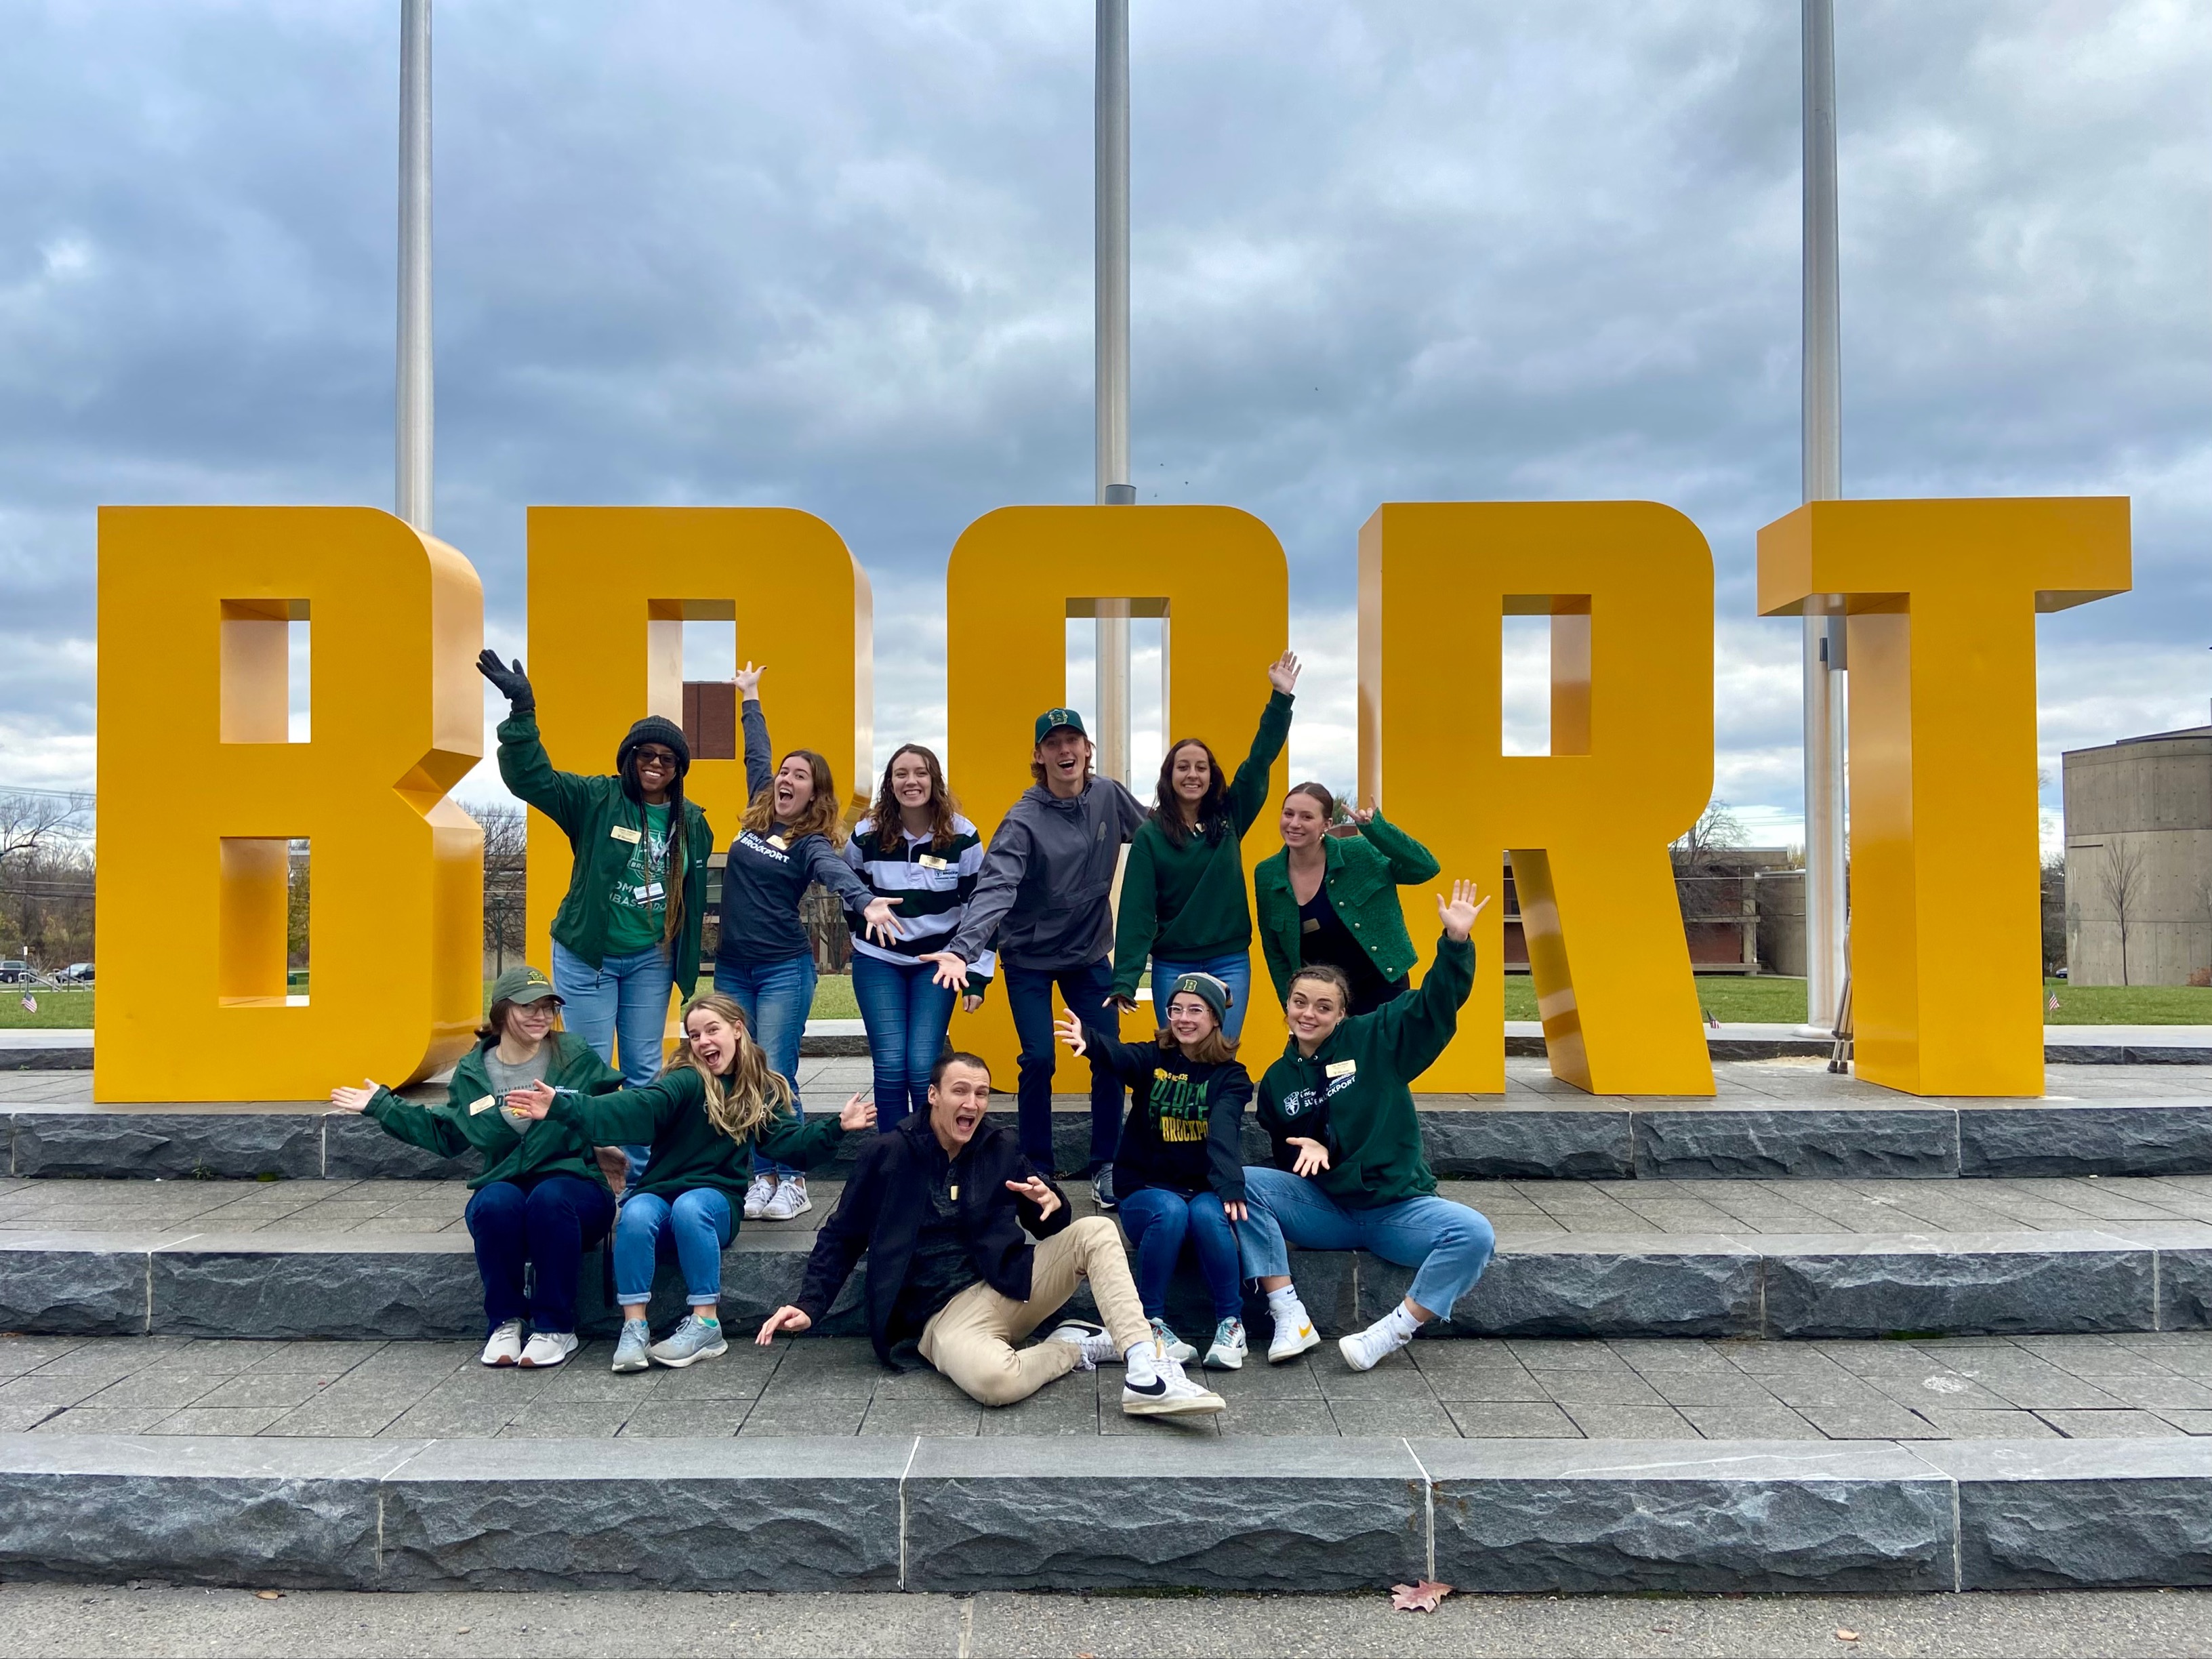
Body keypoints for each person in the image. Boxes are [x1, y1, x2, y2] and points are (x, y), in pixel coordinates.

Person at [755, 1050, 1223, 1418]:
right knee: (996, 1385)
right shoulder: (888, 1154)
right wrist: (809, 1304)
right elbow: (842, 1235)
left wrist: (1053, 1203)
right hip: (941, 1316)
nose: (973, 1103)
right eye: (961, 1091)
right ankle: (1073, 1345)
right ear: (933, 1095)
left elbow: (1047, 1221)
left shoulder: (1000, 1145)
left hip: (1010, 1285)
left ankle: (1145, 1369)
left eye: (982, 1093)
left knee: (1097, 1229)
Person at [508, 991, 875, 1372]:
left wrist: (837, 1126)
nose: (703, 1042)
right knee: (634, 1212)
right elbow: (637, 1105)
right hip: (660, 1195)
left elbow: (791, 1145)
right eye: (694, 1035)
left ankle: (706, 1324)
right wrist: (565, 1106)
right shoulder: (684, 1081)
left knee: (691, 1206)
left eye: (711, 1030)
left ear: (737, 1030)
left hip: (715, 1205)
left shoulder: (758, 1089)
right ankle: (634, 1327)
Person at [1237, 879, 1497, 1373]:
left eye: (1323, 1006)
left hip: (1394, 1209)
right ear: (1288, 1006)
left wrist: (1456, 945)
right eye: (1300, 1002)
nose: (1309, 1013)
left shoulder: (1377, 1039)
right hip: (1326, 1209)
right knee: (1241, 1183)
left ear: (1341, 1014)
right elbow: (1287, 1158)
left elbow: (1433, 1008)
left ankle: (1393, 1329)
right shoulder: (1275, 1080)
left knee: (1474, 1233)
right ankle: (1288, 1313)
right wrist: (1311, 1150)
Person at [476, 650, 714, 1191]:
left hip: (651, 959)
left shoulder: (693, 822)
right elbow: (530, 778)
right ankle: (584, 1171)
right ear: (629, 758)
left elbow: (695, 896)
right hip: (589, 957)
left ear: (678, 769)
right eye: (645, 754)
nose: (655, 763)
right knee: (584, 1068)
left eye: (667, 758)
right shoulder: (594, 798)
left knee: (644, 1069)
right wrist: (522, 711)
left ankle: (639, 1174)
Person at [329, 964, 622, 1370]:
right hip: (511, 1188)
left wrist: (606, 1142)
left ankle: (556, 1327)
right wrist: (383, 1106)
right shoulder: (472, 1072)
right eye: (528, 1007)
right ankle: (505, 1322)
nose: (540, 1016)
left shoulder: (574, 1056)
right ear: (502, 1012)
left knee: (550, 1198)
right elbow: (447, 1134)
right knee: (492, 1203)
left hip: (576, 1190)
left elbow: (613, 1109)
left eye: (547, 1007)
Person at [921, 707, 1148, 1210]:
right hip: (1029, 956)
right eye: (1054, 744)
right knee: (1039, 1059)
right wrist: (964, 949)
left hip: (1088, 954)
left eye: (1074, 741)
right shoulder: (1023, 818)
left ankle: (1106, 1164)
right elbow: (996, 886)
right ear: (1039, 756)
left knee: (1108, 1057)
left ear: (1087, 750)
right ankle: (1038, 1165)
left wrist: (1210, 823)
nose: (1065, 751)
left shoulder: (1109, 796)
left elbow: (1159, 835)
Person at [714, 662, 903, 1223]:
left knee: (776, 1072)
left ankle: (791, 1178)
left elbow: (835, 871)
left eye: (801, 776)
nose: (786, 779)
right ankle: (760, 1174)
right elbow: (757, 752)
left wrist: (865, 900)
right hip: (731, 970)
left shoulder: (811, 842)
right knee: (736, 1072)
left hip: (780, 971)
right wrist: (750, 698)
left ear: (814, 794)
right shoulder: (756, 807)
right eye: (785, 772)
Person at [1055, 970, 1253, 1370]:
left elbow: (1224, 1130)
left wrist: (1231, 1184)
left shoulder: (1231, 1077)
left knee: (1207, 1213)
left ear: (1216, 1018)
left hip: (1202, 1191)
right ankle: (1149, 1323)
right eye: (1176, 1009)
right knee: (1171, 1209)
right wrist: (1090, 1041)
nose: (1184, 1018)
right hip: (1146, 1195)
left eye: (1196, 1010)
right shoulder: (1153, 1057)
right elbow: (1122, 1056)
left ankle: (1231, 1324)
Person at [1109, 653, 1300, 1041]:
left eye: (1201, 767)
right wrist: (1126, 979)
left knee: (1222, 1052)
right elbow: (1136, 909)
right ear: (1169, 776)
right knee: (1177, 1056)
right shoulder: (1150, 835)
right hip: (1171, 964)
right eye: (1183, 767)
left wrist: (1280, 698)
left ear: (1212, 776)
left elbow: (1259, 761)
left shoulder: (1231, 817)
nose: (1192, 774)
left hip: (1229, 960)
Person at [844, 743, 995, 1131]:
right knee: (891, 1065)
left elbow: (981, 909)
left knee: (922, 1067)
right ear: (889, 783)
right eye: (901, 774)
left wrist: (975, 976)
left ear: (935, 780)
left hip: (939, 963)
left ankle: (931, 1153)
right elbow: (849, 893)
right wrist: (867, 933)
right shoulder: (866, 834)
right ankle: (894, 1162)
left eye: (921, 773)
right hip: (879, 962)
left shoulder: (963, 835)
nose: (912, 781)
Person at [1253, 785, 1441, 1017]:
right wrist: (1291, 1005)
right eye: (1288, 814)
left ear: (1327, 824)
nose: (1294, 823)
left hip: (1382, 988)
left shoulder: (1360, 853)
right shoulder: (1266, 874)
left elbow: (1425, 867)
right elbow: (1274, 951)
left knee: (1381, 1053)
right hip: (1319, 1002)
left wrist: (1377, 830)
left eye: (1307, 817)